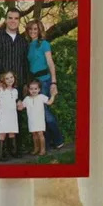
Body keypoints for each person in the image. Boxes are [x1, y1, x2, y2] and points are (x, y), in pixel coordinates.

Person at [0, 8, 28, 156]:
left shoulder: (23, 41)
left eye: (16, 18)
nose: (13, 21)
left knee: (17, 116)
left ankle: (14, 150)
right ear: (6, 18)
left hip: (18, 85)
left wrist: (25, 84)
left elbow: (25, 63)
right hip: (1, 85)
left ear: (19, 20)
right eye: (10, 18)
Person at [25, 20, 63, 150]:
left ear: (40, 30)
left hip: (45, 81)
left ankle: (58, 140)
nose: (33, 32)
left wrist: (54, 82)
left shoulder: (44, 44)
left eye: (35, 29)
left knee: (45, 113)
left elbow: (50, 63)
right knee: (37, 114)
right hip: (34, 82)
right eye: (30, 29)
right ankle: (45, 143)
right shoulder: (29, 45)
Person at [19, 79, 53, 155]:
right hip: (31, 120)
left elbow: (49, 102)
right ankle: (36, 148)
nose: (33, 90)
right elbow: (21, 108)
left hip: (39, 120)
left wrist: (53, 95)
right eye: (31, 89)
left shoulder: (41, 97)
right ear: (28, 90)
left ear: (39, 89)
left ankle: (43, 150)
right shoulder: (27, 99)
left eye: (35, 89)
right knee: (34, 135)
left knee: (40, 134)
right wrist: (18, 102)